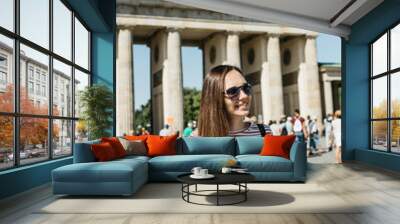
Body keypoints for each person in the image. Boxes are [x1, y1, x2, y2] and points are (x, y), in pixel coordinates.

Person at [196, 65, 271, 137]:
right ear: (215, 97)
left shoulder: (264, 132)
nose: (244, 96)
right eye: (233, 91)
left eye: (246, 88)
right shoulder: (197, 138)